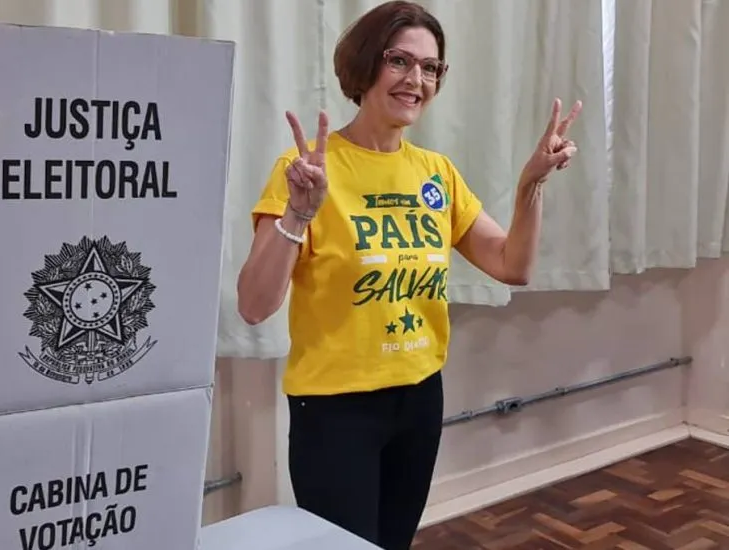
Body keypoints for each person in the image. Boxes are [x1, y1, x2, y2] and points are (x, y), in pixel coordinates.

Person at [235, 1, 582, 548]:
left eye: (430, 68)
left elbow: (512, 265)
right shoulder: (304, 171)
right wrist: (299, 213)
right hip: (335, 408)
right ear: (366, 64)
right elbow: (254, 305)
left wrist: (530, 185)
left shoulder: (436, 173)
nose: (416, 79)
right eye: (400, 61)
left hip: (419, 397)